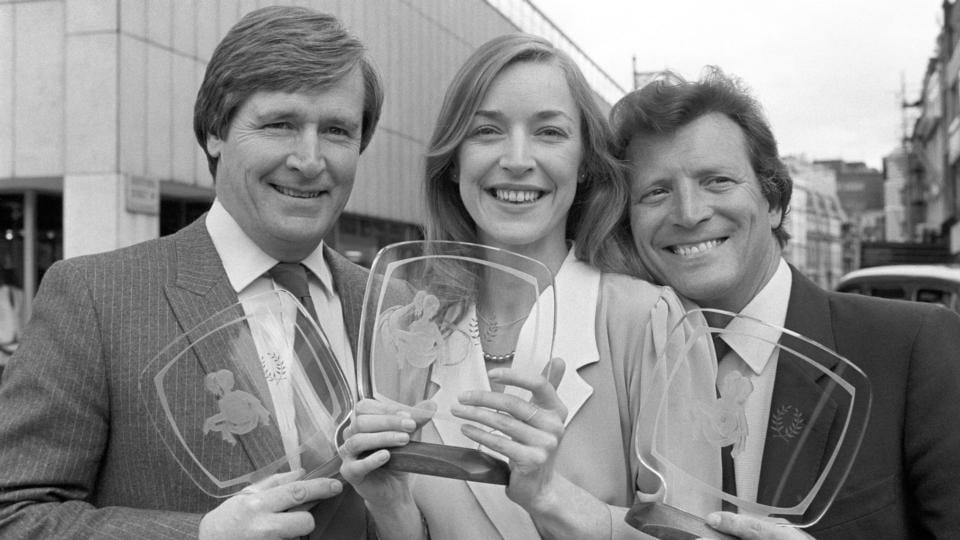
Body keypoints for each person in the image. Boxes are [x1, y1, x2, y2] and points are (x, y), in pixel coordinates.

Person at [0, 6, 383, 539]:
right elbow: (13, 514)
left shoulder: (388, 306)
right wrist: (199, 536)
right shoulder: (94, 300)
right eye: (280, 124)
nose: (310, 158)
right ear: (214, 134)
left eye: (338, 130)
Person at [338, 33, 700, 540]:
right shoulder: (403, 333)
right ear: (454, 160)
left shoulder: (650, 320)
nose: (516, 158)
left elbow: (696, 532)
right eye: (487, 130)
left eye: (549, 132)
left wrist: (551, 498)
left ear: (585, 162)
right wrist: (390, 506)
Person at [610, 67, 960, 539]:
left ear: (773, 201)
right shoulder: (629, 368)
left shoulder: (914, 348)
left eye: (716, 181)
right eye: (656, 191)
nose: (689, 213)